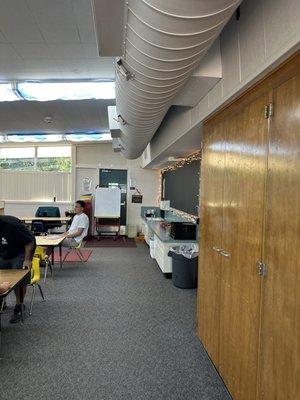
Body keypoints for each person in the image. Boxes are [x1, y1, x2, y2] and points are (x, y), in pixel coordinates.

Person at [0, 215, 36, 323]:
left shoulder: (12, 224)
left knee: (19, 279)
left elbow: (30, 241)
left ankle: (19, 305)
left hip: (20, 252)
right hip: (3, 252)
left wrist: (28, 260)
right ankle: (2, 301)